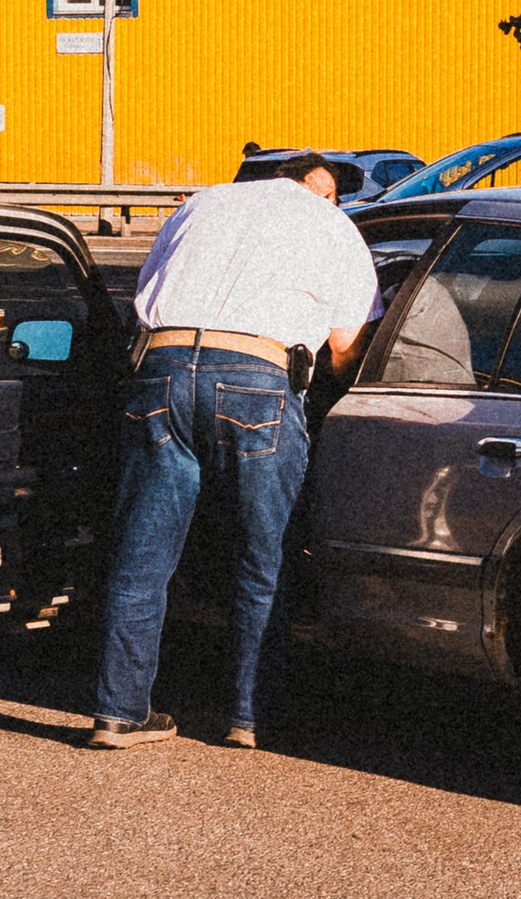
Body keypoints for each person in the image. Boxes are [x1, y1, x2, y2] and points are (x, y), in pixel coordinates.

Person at [86, 156, 380, 752]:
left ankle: (117, 714)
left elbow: (144, 296)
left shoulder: (201, 203)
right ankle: (247, 718)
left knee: (142, 555)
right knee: (262, 556)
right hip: (258, 381)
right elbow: (345, 352)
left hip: (161, 372)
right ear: (322, 190)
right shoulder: (333, 225)